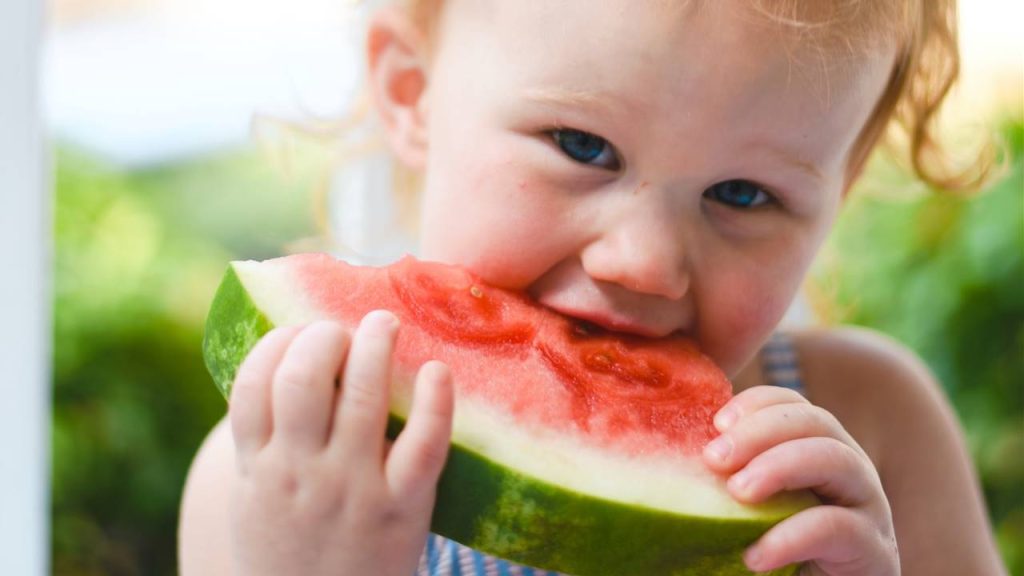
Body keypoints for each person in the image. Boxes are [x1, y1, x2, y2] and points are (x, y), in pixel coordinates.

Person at [178, 1, 1008, 574]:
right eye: (581, 144)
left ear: (839, 193)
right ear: (413, 94)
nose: (643, 262)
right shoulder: (272, 479)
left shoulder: (879, 429)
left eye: (744, 195)